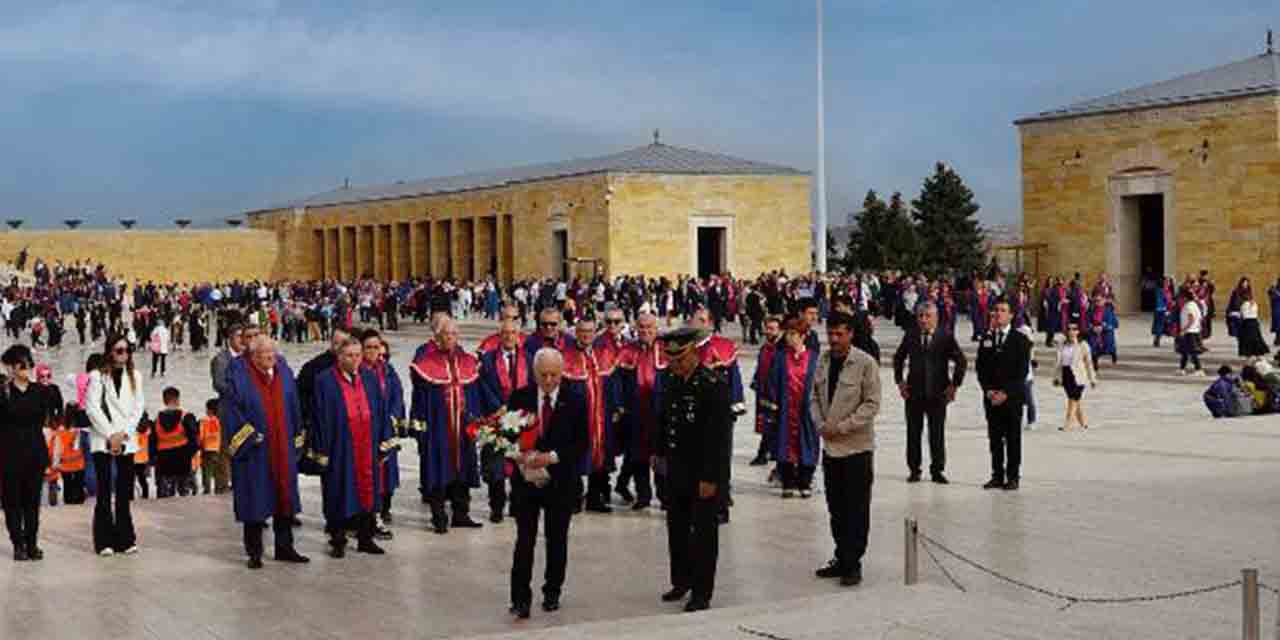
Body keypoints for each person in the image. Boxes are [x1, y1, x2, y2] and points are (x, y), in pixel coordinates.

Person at [506, 348, 588, 619]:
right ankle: (520, 598)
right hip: (525, 483)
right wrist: (521, 456)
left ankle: (552, 592)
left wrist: (551, 457)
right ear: (534, 373)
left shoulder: (575, 400)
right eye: (544, 375)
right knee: (524, 540)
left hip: (560, 482)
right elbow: (507, 436)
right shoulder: (520, 398)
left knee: (557, 540)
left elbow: (581, 444)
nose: (550, 380)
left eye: (555, 374)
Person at [654, 327, 732, 612]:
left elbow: (719, 439)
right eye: (670, 357)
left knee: (703, 534)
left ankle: (702, 591)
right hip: (677, 470)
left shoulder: (712, 385)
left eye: (680, 357)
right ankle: (681, 580)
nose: (675, 362)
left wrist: (711, 477)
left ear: (694, 353)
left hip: (703, 472)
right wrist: (658, 454)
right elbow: (665, 421)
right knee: (677, 528)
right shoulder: (672, 381)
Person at [224, 335, 309, 569]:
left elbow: (294, 406)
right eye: (264, 353)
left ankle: (285, 547)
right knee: (255, 499)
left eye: (272, 352)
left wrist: (297, 437)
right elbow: (231, 410)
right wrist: (249, 436)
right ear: (253, 356)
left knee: (284, 497)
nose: (271, 357)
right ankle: (254, 552)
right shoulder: (239, 377)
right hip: (256, 450)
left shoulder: (284, 372)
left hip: (282, 446)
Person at [808, 311, 880, 587]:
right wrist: (819, 423)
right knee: (836, 508)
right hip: (831, 449)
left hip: (856, 449)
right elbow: (813, 396)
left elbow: (872, 404)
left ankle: (854, 562)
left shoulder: (865, 363)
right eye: (831, 334)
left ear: (850, 333)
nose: (834, 339)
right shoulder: (823, 361)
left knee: (856, 509)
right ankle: (841, 556)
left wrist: (844, 426)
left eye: (840, 334)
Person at [314, 336, 394, 558]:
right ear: (339, 356)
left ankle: (365, 538)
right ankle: (338, 539)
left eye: (358, 355)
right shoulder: (325, 380)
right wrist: (322, 451)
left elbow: (380, 408)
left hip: (367, 445)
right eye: (349, 355)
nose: (355, 359)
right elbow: (320, 416)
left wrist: (383, 440)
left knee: (369, 493)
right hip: (341, 447)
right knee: (339, 491)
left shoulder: (369, 377)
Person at [410, 316, 486, 533]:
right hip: (438, 428)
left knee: (464, 468)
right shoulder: (426, 364)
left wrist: (478, 419)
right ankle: (439, 517)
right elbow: (419, 399)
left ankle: (461, 514)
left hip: (463, 427)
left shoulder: (469, 362)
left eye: (454, 334)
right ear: (437, 337)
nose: (450, 338)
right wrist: (419, 429)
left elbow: (475, 394)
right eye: (446, 334)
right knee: (438, 470)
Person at [892, 302, 966, 484]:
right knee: (913, 434)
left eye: (927, 316)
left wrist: (954, 385)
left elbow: (961, 361)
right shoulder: (911, 335)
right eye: (920, 316)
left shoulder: (945, 336)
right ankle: (914, 469)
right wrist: (900, 382)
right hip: (914, 392)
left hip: (937, 393)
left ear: (936, 318)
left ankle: (937, 470)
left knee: (937, 434)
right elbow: (899, 358)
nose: (923, 320)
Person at [85, 332, 144, 557]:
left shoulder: (135, 376)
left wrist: (124, 434)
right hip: (103, 438)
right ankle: (103, 540)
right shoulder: (97, 376)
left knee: (123, 491)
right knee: (103, 490)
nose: (124, 355)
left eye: (127, 350)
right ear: (110, 352)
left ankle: (125, 538)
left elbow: (138, 407)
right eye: (119, 350)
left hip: (126, 440)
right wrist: (111, 435)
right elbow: (92, 408)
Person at [561, 317, 621, 513]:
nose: (586, 335)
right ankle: (574, 499)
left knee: (601, 456)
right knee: (576, 457)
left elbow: (613, 383)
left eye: (589, 331)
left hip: (602, 416)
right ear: (576, 333)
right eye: (582, 331)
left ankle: (595, 498)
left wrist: (616, 407)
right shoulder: (566, 356)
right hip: (578, 417)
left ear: (595, 333)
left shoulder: (604, 353)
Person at [0, 345, 53, 561]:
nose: (25, 368)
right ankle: (18, 543)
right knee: (12, 502)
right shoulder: (2, 392)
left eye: (28, 363)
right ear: (11, 367)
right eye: (20, 364)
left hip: (34, 451)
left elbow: (42, 419)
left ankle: (32, 543)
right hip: (9, 453)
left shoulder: (40, 391)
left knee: (32, 502)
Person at [976, 299, 1032, 491]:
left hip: (1012, 398)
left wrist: (1006, 393)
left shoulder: (1021, 340)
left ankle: (1013, 476)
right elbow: (980, 368)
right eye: (996, 310)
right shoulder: (987, 338)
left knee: (1013, 438)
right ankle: (997, 475)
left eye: (1003, 310)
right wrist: (989, 390)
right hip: (992, 398)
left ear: (1011, 315)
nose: (998, 314)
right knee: (994, 438)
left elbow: (1022, 371)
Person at [763, 316, 820, 498]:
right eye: (787, 334)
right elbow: (771, 384)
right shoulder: (780, 358)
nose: (789, 338)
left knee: (808, 445)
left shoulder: (815, 359)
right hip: (785, 411)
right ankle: (787, 482)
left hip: (807, 412)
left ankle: (805, 481)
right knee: (783, 445)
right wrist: (772, 409)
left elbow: (821, 386)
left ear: (803, 336)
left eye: (794, 334)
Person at [615, 312, 667, 511]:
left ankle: (664, 496)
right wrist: (620, 405)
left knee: (661, 455)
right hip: (635, 412)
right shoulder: (628, 350)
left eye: (649, 328)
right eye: (641, 328)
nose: (645, 331)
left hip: (659, 412)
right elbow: (618, 381)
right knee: (638, 457)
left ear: (656, 329)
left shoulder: (665, 349)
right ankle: (643, 495)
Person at [477, 320, 528, 523]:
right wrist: (498, 408)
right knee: (495, 466)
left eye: (513, 333)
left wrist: (520, 410)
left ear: (518, 335)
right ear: (499, 335)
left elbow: (532, 386)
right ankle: (496, 506)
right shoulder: (488, 360)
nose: (509, 337)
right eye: (505, 333)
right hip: (495, 417)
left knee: (519, 464)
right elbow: (482, 385)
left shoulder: (529, 359)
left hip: (521, 418)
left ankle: (517, 504)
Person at [361, 330, 405, 536]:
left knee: (386, 474)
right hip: (366, 433)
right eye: (368, 347)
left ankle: (381, 511)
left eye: (376, 347)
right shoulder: (359, 371)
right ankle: (368, 518)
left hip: (386, 430)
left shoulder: (387, 370)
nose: (372, 351)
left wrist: (393, 419)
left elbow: (397, 395)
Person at [149, 387, 200, 498]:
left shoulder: (156, 420)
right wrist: (188, 454)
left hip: (163, 461)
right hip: (183, 461)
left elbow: (152, 443)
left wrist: (153, 459)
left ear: (164, 400)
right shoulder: (186, 417)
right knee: (184, 497)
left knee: (164, 497)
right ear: (177, 399)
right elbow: (195, 440)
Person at [749, 316, 783, 467]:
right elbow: (761, 366)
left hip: (775, 393)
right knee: (765, 423)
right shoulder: (765, 347)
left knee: (771, 423)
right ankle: (769, 452)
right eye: (767, 328)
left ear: (779, 330)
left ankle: (764, 454)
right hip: (762, 391)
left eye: (772, 329)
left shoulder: (781, 349)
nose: (768, 331)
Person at [1052, 324, 1098, 431]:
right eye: (1069, 329)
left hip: (1079, 376)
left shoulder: (1083, 345)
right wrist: (1056, 377)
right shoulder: (1062, 344)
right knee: (1075, 400)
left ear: (1078, 331)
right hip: (1066, 374)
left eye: (1074, 329)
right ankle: (1083, 423)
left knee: (1073, 399)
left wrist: (1092, 379)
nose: (1071, 331)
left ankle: (1068, 424)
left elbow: (1088, 363)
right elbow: (1058, 362)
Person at [198, 399, 229, 495]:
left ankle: (207, 489)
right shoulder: (223, 422)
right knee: (220, 470)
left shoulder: (203, 421)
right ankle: (220, 488)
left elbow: (201, 436)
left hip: (207, 449)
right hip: (219, 449)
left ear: (210, 410)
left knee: (207, 471)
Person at [1235, 290, 1271, 362]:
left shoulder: (1244, 304)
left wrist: (1237, 314)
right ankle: (1259, 355)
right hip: (1254, 322)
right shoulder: (1254, 304)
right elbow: (1255, 314)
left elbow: (1244, 315)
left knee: (1247, 340)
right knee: (1256, 338)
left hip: (1247, 323)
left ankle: (1249, 356)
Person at [1178, 292, 1205, 376]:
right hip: (1194, 330)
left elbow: (1191, 319)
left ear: (1186, 298)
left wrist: (1183, 330)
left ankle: (1199, 369)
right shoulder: (1194, 305)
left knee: (1192, 352)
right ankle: (1182, 369)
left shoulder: (1189, 306)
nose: (1181, 299)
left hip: (1190, 332)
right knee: (1185, 351)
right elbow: (1199, 319)